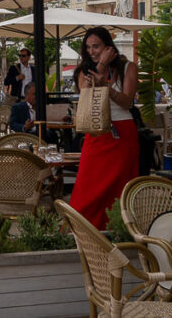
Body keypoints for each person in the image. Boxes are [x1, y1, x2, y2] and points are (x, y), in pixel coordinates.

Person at [69, 27, 138, 230]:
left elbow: (127, 102)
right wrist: (101, 66)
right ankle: (81, 231)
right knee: (87, 186)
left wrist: (107, 89)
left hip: (122, 132)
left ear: (108, 46)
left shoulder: (128, 68)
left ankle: (119, 229)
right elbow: (86, 95)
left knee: (121, 186)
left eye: (96, 46)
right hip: (97, 131)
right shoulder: (85, 70)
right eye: (88, 47)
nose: (91, 51)